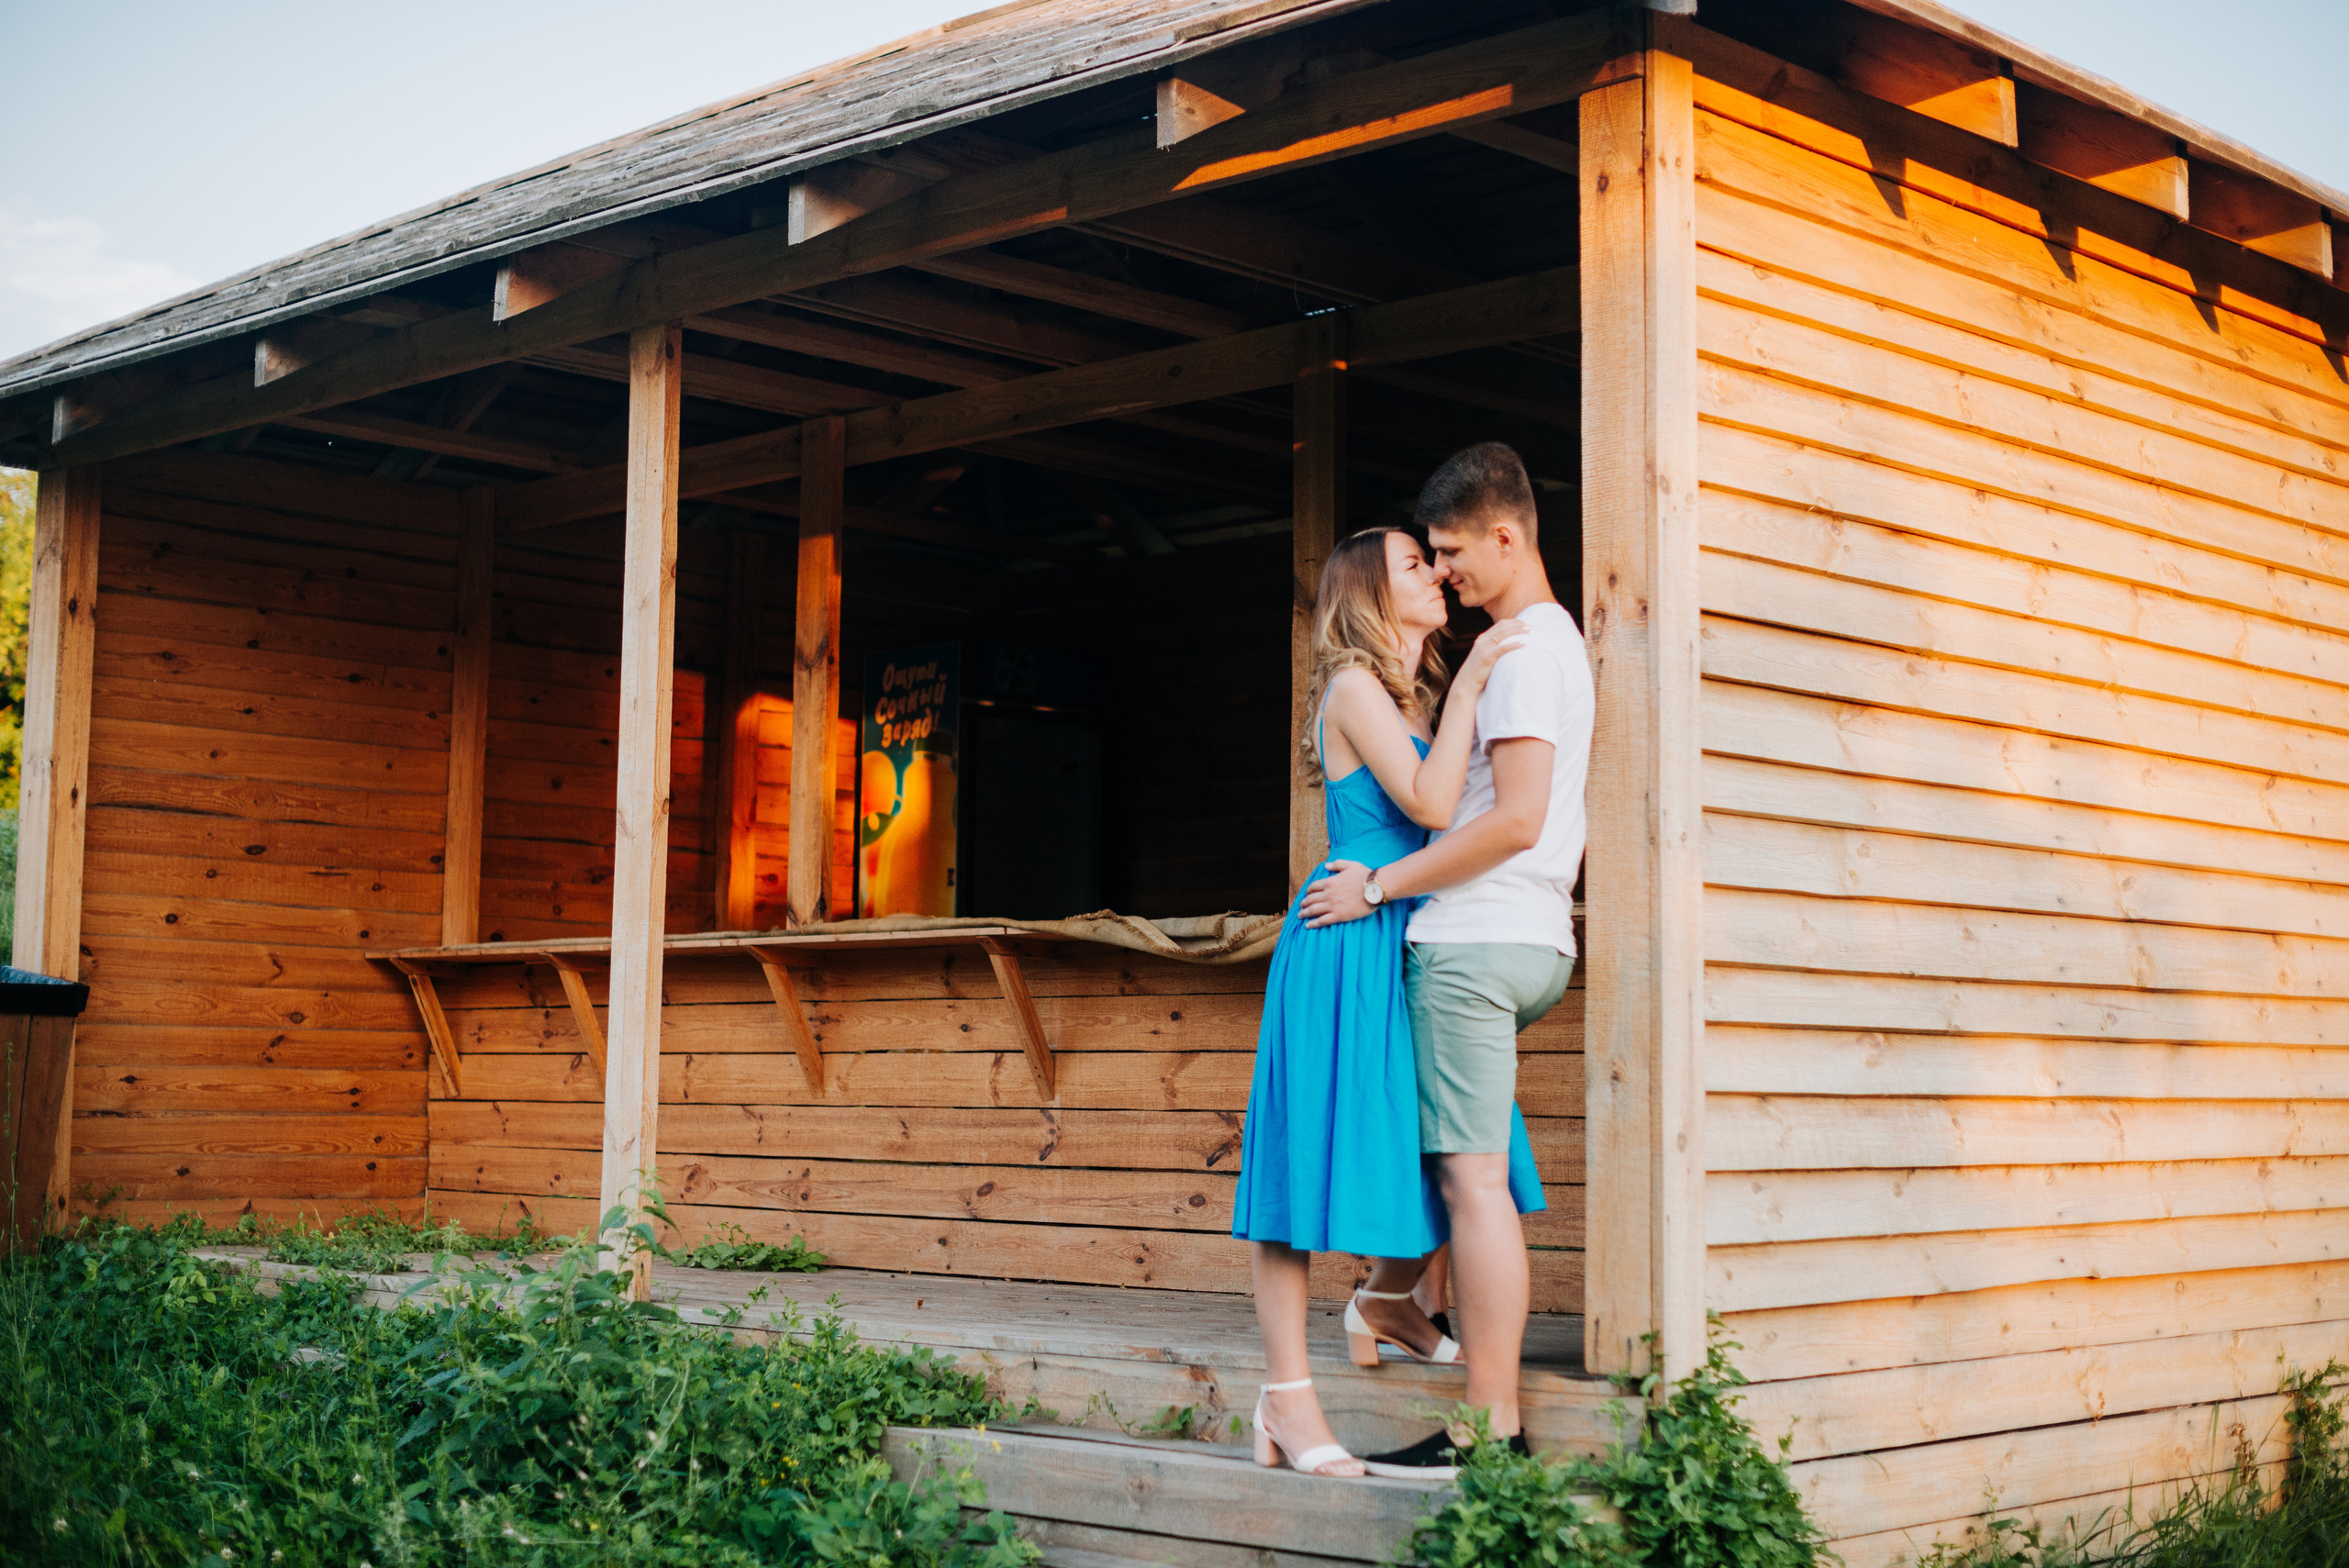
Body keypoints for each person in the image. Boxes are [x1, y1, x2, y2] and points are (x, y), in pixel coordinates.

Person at [1230, 523, 1547, 1478]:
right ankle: (1286, 1396)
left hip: (1395, 935)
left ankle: (1391, 1302)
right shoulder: (1353, 687)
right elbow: (1432, 800)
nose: (1437, 575)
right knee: (1294, 1174)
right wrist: (1482, 669)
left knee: (1452, 1151)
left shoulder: (1401, 693)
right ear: (1373, 591)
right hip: (1341, 940)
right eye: (1417, 564)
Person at [1301, 442, 1591, 1476]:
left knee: (1472, 1185)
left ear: (1505, 538)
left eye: (1450, 552)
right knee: (1471, 1176)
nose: (1444, 570)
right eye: (1424, 560)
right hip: (1521, 936)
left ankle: (1488, 1431)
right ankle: (1399, 1310)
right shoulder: (1541, 647)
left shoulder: (1515, 651)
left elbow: (1506, 819)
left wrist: (1379, 885)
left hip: (1472, 941)